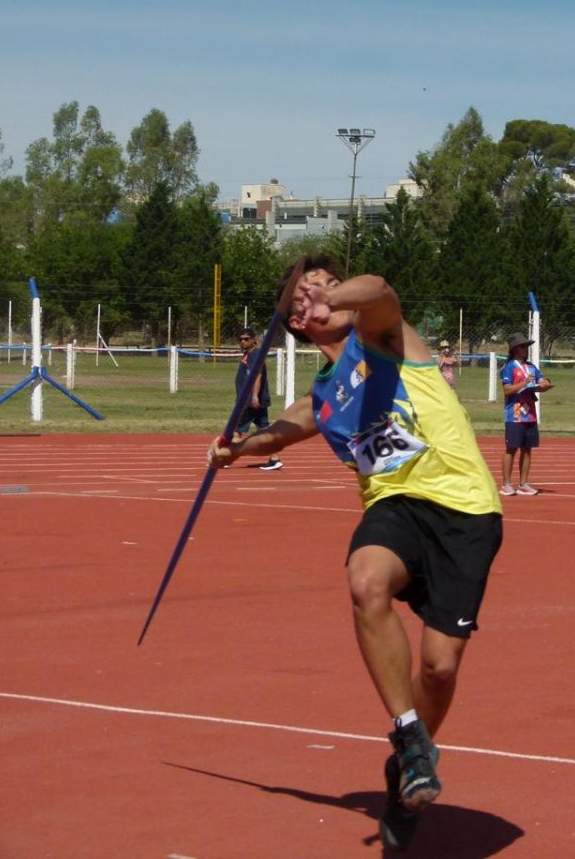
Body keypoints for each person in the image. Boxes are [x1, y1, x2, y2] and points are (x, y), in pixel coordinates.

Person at [208, 254, 503, 851]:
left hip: (465, 510)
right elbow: (292, 422)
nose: (316, 300)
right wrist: (236, 448)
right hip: (394, 505)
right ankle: (408, 735)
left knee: (439, 667)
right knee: (366, 580)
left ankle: (409, 770)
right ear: (296, 325)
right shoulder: (324, 392)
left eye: (326, 288)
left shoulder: (385, 334)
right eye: (302, 300)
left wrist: (341, 295)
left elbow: (382, 287)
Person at [499, 332, 553, 496]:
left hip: (530, 414)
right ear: (515, 349)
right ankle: (506, 484)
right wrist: (523, 383)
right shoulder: (509, 367)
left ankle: (523, 483)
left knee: (527, 449)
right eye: (523, 347)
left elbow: (543, 379)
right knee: (511, 449)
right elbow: (507, 389)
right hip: (514, 414)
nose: (526, 350)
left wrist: (544, 384)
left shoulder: (531, 367)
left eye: (527, 347)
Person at [234, 327, 281, 470]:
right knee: (264, 430)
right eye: (241, 339)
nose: (243, 341)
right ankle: (275, 458)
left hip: (250, 402)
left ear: (254, 340)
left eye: (246, 339)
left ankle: (226, 457)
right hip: (254, 401)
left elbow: (257, 375)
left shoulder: (255, 355)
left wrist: (254, 396)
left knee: (235, 431)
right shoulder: (250, 355)